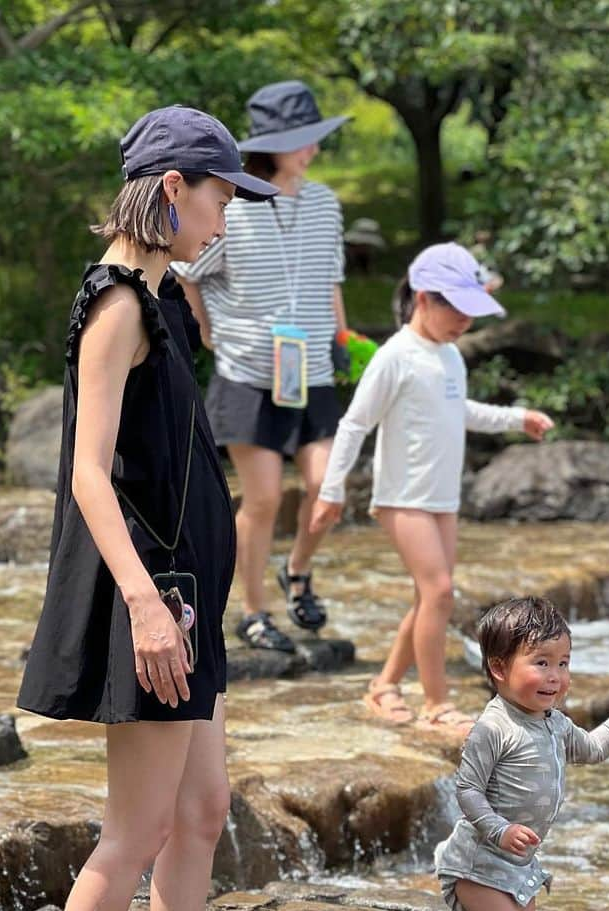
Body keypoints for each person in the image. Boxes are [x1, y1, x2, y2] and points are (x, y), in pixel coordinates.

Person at [15, 107, 277, 911]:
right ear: (174, 189)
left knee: (202, 809)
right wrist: (144, 603)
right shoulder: (120, 304)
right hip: (156, 595)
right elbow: (88, 472)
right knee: (136, 828)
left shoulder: (166, 297)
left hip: (190, 596)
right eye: (219, 199)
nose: (227, 219)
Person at [309, 243, 555, 736]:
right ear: (424, 299)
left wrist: (516, 418)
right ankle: (436, 704)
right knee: (439, 591)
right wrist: (330, 490)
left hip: (442, 497)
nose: (465, 321)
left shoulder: (449, 358)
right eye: (458, 310)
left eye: (472, 312)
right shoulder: (395, 357)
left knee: (429, 598)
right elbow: (355, 424)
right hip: (403, 496)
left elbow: (460, 411)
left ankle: (384, 686)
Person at [394, 596, 609, 911]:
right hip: (478, 858)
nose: (556, 677)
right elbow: (468, 790)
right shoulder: (494, 728)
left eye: (563, 663)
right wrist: (499, 829)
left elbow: (592, 749)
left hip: (519, 861)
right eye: (542, 663)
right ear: (499, 668)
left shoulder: (552, 722)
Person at [173, 80, 350, 654]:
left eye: (313, 139)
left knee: (327, 487)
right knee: (266, 498)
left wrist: (341, 336)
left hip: (314, 370)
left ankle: (297, 570)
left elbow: (331, 276)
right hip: (249, 371)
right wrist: (205, 329)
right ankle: (253, 611)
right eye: (298, 140)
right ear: (271, 146)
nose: (310, 150)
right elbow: (189, 269)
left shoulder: (325, 202)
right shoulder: (235, 204)